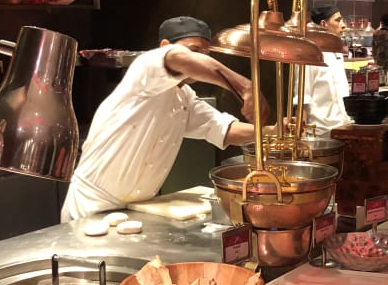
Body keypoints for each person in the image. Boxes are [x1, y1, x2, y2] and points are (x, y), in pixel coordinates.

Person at [60, 16, 270, 221]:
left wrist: (276, 132)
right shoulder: (146, 68)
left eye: (207, 53)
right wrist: (245, 87)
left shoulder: (185, 97)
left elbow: (226, 130)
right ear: (164, 46)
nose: (203, 58)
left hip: (138, 210)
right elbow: (178, 58)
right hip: (90, 206)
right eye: (195, 50)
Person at [297, 4, 352, 134]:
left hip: (342, 126)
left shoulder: (337, 52)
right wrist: (301, 135)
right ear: (323, 24)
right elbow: (302, 99)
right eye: (338, 20)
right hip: (320, 131)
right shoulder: (310, 54)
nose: (343, 25)